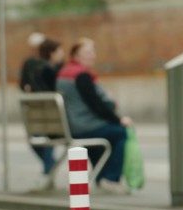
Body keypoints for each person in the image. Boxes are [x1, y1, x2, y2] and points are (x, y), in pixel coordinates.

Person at [56, 38, 132, 194]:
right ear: (76, 56)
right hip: (83, 127)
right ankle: (110, 178)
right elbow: (96, 105)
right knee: (119, 132)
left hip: (72, 126)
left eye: (93, 51)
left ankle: (102, 177)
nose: (93, 56)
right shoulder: (81, 76)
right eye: (88, 52)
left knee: (104, 135)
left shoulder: (64, 73)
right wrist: (119, 120)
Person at [19, 34, 64, 175]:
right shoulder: (52, 69)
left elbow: (22, 84)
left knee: (40, 139)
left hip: (36, 111)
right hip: (52, 113)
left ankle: (49, 167)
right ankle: (49, 166)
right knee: (48, 137)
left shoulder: (30, 64)